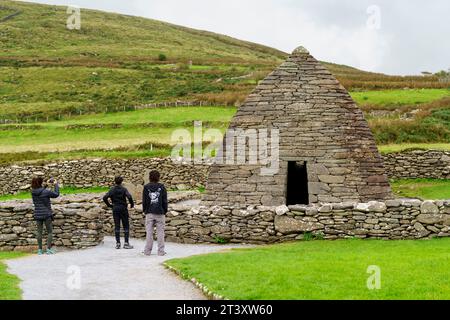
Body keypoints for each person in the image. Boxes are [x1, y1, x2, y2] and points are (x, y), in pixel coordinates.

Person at [103, 176, 135, 249]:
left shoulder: (112, 190)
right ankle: (126, 243)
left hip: (115, 208)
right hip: (123, 208)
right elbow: (129, 196)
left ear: (115, 181)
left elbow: (105, 198)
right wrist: (132, 204)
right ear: (121, 181)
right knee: (126, 225)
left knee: (117, 225)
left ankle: (118, 244)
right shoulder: (124, 189)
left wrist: (109, 205)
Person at [31, 177, 59, 255]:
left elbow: (40, 191)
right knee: (49, 232)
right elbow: (56, 194)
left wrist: (46, 185)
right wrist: (56, 185)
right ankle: (48, 250)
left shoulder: (33, 192)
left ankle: (40, 250)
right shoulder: (46, 192)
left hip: (38, 214)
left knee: (39, 232)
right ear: (40, 183)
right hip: (47, 214)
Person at [143, 170, 168, 256]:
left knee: (149, 233)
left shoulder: (146, 187)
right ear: (158, 177)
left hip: (149, 212)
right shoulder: (162, 187)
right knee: (160, 232)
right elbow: (164, 200)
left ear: (149, 177)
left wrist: (145, 210)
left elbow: (145, 201)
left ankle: (147, 251)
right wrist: (165, 210)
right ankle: (161, 251)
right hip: (160, 212)